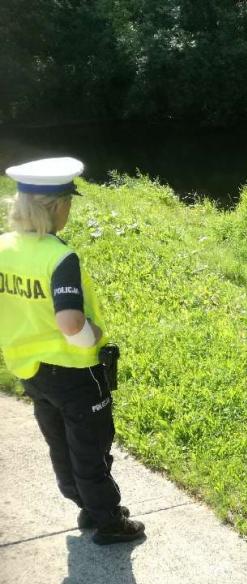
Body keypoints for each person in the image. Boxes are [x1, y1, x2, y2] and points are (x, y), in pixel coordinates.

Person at [0, 157, 145, 545]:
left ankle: (85, 504)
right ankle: (108, 521)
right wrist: (93, 334)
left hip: (29, 369)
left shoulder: (3, 248)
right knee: (90, 445)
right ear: (57, 206)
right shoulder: (58, 256)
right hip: (74, 371)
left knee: (59, 440)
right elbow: (70, 325)